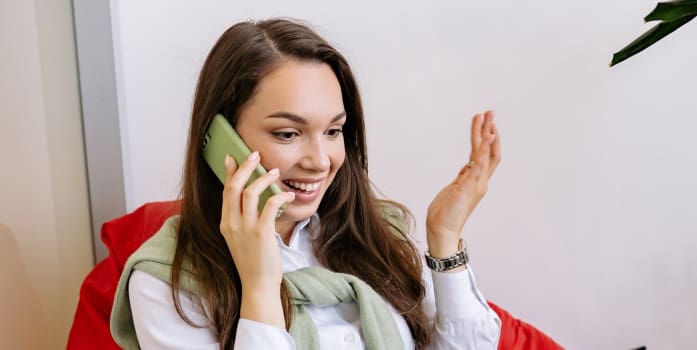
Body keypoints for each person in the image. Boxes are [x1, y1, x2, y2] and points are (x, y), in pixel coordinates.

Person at [110, 18, 502, 349]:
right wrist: (261, 287)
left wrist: (444, 238)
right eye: (287, 134)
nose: (319, 161)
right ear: (219, 137)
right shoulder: (168, 278)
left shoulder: (375, 235)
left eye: (333, 131)